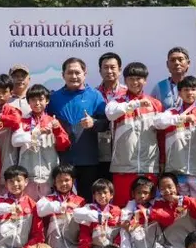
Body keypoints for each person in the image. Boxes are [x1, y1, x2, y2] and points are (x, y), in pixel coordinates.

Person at [46, 57, 108, 202]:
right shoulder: (54, 98)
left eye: (77, 72)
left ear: (84, 74)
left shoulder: (95, 95)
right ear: (63, 75)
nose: (74, 76)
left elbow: (106, 124)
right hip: (63, 160)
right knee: (62, 202)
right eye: (70, 73)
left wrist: (94, 122)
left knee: (86, 201)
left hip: (88, 160)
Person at [105, 62, 164, 207]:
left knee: (148, 209)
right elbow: (110, 114)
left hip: (148, 166)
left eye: (139, 78)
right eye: (131, 79)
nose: (135, 82)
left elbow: (161, 135)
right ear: (125, 80)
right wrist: (134, 104)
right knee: (122, 208)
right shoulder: (117, 102)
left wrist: (162, 160)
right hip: (123, 167)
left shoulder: (155, 104)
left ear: (145, 80)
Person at [152, 76, 196, 199]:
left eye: (193, 89)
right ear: (179, 93)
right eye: (186, 89)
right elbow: (157, 122)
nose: (189, 93)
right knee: (176, 209)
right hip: (175, 170)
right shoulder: (171, 113)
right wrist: (180, 119)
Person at [11, 85, 71, 200]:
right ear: (28, 102)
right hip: (28, 174)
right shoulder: (23, 122)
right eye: (33, 100)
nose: (37, 103)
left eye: (41, 99)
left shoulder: (52, 121)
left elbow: (64, 145)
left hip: (48, 175)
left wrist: (57, 130)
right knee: (29, 209)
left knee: (47, 209)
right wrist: (36, 132)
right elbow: (15, 141)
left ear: (47, 101)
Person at [35, 164, 86, 248]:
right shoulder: (47, 200)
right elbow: (39, 210)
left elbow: (85, 228)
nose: (63, 184)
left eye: (67, 180)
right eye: (60, 181)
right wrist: (62, 205)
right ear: (54, 182)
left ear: (73, 181)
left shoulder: (80, 201)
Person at [73, 179, 125, 248]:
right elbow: (84, 233)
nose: (102, 196)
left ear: (112, 195)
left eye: (105, 192)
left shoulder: (117, 211)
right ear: (94, 196)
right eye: (98, 193)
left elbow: (120, 232)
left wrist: (117, 245)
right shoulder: (89, 209)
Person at [0, 74, 23, 194]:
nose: (0, 95)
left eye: (4, 91)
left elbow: (15, 121)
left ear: (11, 93)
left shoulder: (13, 111)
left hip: (8, 160)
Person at [96, 52, 127, 181]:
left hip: (124, 150)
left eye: (113, 67)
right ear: (100, 71)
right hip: (98, 151)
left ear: (119, 70)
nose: (109, 71)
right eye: (105, 67)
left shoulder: (127, 95)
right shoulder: (93, 94)